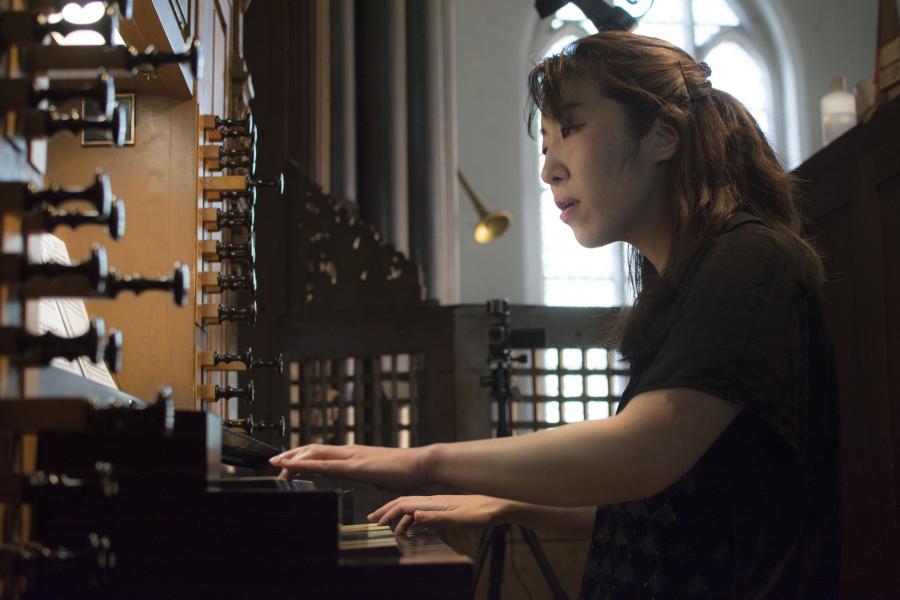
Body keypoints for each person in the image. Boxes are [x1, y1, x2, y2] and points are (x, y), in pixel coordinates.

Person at [270, 31, 841, 599]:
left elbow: (643, 453)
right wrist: (513, 507)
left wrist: (423, 460)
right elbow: (673, 509)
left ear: (662, 134)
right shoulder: (683, 286)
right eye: (544, 145)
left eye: (569, 129)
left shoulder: (752, 256)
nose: (549, 170)